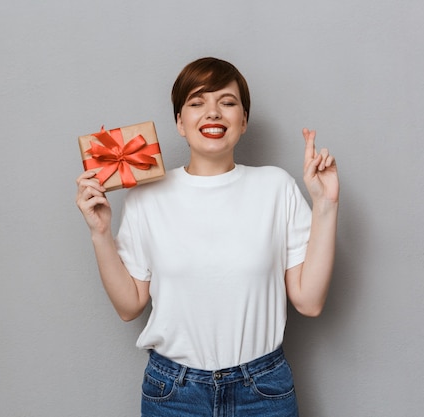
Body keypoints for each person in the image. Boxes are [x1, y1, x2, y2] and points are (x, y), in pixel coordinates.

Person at [76, 57, 339, 417]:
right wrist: (100, 232)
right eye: (197, 103)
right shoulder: (145, 196)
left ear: (243, 121)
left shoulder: (276, 187)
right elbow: (129, 305)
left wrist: (325, 205)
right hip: (174, 394)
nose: (212, 112)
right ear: (179, 123)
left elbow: (309, 301)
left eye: (227, 103)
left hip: (263, 390)